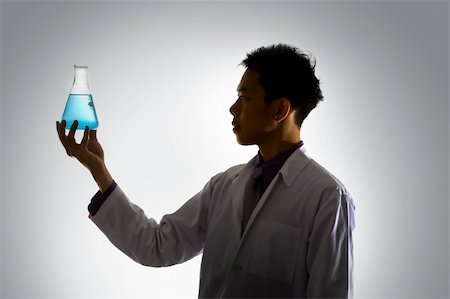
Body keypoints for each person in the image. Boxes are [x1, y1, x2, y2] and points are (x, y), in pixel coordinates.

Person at [56, 43, 355, 298]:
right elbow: (157, 246)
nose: (233, 109)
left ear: (279, 110)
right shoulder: (224, 186)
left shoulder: (327, 197)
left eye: (244, 97)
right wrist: (99, 170)